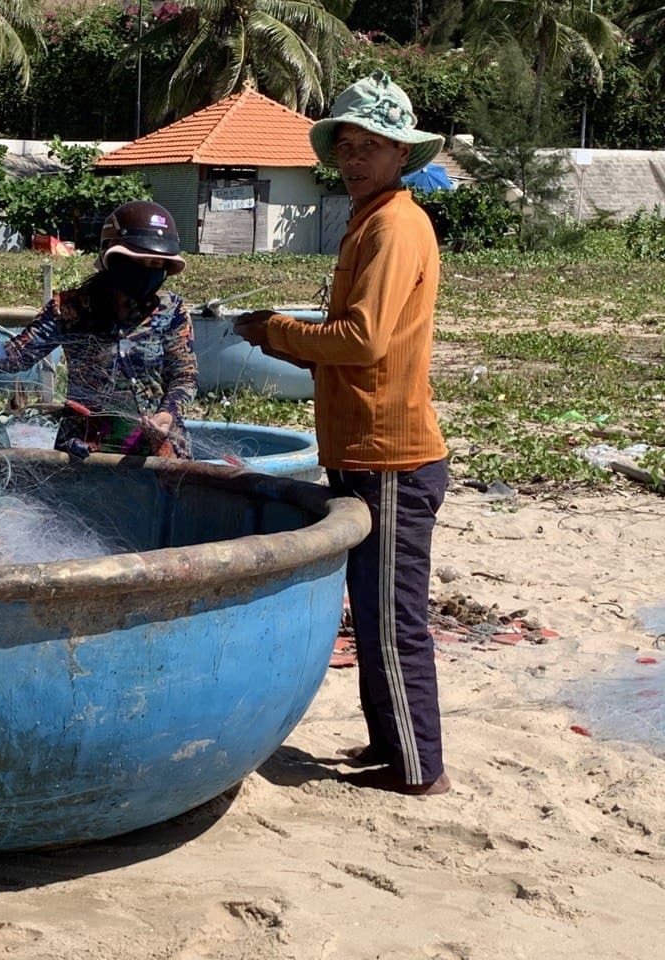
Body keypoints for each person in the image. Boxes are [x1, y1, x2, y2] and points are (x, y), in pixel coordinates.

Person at [231, 71, 451, 796]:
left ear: (401, 155)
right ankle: (393, 746)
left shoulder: (393, 225)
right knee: (378, 611)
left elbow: (359, 341)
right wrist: (281, 337)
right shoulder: (374, 219)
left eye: (372, 146)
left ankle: (418, 770)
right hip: (366, 449)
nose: (355, 159)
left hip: (391, 454)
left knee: (391, 621)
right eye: (347, 146)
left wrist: (272, 331)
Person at [0, 200, 197, 459]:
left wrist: (167, 415)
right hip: (86, 447)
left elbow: (183, 377)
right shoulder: (69, 309)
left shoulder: (171, 311)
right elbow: (16, 355)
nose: (147, 272)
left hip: (158, 448)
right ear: (112, 260)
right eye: (138, 262)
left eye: (156, 265)